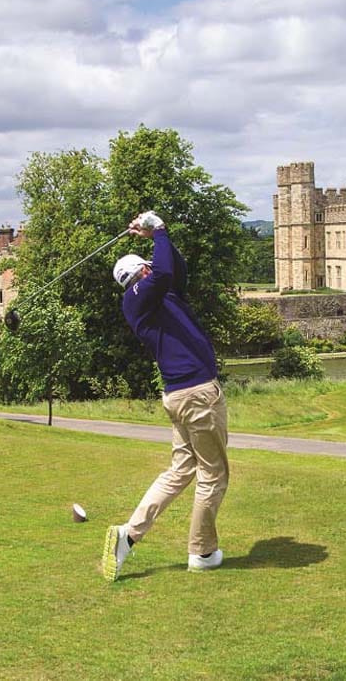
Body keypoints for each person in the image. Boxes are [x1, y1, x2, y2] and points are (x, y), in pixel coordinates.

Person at [102, 210, 229, 582]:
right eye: (147, 268)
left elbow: (176, 269)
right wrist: (156, 230)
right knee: (213, 474)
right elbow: (163, 274)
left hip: (181, 396)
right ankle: (202, 552)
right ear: (140, 273)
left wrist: (159, 236)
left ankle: (129, 535)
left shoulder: (159, 295)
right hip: (197, 395)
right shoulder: (137, 299)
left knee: (181, 470)